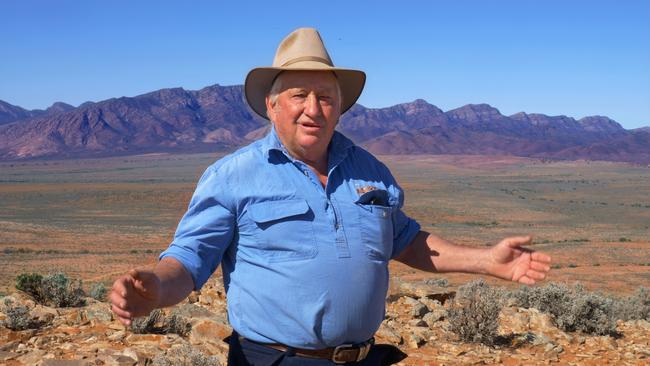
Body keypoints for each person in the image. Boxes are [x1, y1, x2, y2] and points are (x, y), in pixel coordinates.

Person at [110, 28, 552, 365]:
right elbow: (188, 261)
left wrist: (487, 261)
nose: (313, 108)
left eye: (325, 96)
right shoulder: (231, 176)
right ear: (272, 104)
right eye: (299, 94)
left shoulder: (369, 170)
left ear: (340, 105)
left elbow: (406, 240)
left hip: (363, 356)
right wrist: (154, 289)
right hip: (276, 360)